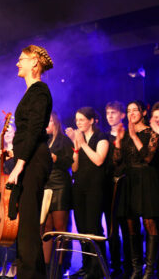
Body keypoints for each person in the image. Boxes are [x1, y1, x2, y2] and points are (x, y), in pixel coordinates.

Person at [2, 45, 53, 278]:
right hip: (28, 157)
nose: (17, 63)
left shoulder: (40, 90)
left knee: (28, 226)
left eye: (21, 59)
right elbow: (26, 134)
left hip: (33, 161)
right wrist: (14, 153)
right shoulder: (31, 92)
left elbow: (34, 129)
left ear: (34, 63)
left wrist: (20, 164)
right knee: (25, 225)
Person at [113, 101, 159, 279]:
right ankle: (136, 268)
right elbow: (116, 161)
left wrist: (133, 137)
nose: (131, 113)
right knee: (131, 225)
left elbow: (147, 157)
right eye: (128, 110)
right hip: (130, 181)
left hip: (147, 180)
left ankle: (150, 269)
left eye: (135, 110)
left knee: (149, 223)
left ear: (143, 112)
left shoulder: (152, 132)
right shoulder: (126, 134)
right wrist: (118, 141)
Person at [65, 106, 109, 278]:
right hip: (79, 187)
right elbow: (74, 168)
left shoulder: (101, 137)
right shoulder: (79, 139)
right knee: (82, 229)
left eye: (82, 119)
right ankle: (86, 265)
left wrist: (83, 143)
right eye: (77, 120)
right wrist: (76, 147)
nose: (78, 123)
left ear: (91, 121)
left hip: (95, 188)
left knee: (93, 228)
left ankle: (97, 268)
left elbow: (98, 160)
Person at [42, 112, 73, 276]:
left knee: (60, 228)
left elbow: (69, 161)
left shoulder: (64, 140)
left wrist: (56, 159)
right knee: (46, 228)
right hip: (46, 185)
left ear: (56, 123)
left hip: (60, 184)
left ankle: (61, 266)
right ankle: (47, 267)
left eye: (50, 121)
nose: (47, 125)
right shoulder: (43, 141)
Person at [104, 101, 131, 277]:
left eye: (114, 113)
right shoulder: (103, 137)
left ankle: (129, 265)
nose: (110, 116)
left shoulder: (129, 136)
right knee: (111, 228)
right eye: (107, 113)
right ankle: (115, 265)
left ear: (122, 115)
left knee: (127, 228)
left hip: (125, 186)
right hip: (108, 187)